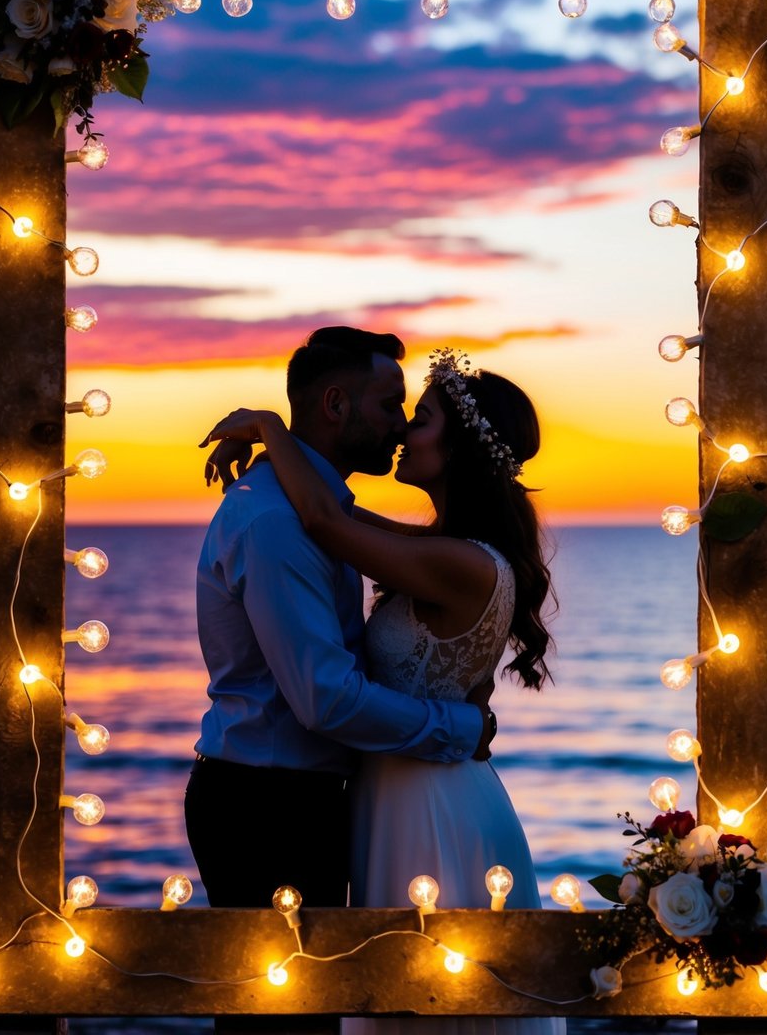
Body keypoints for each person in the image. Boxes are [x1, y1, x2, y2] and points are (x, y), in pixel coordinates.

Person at [203, 346, 565, 1035]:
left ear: (459, 448)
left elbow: (327, 524)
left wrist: (272, 430)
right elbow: (334, 517)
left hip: (429, 803)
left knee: (424, 996)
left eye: (419, 417)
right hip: (392, 789)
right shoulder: (435, 546)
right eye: (399, 410)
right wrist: (279, 455)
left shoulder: (457, 562)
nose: (401, 429)